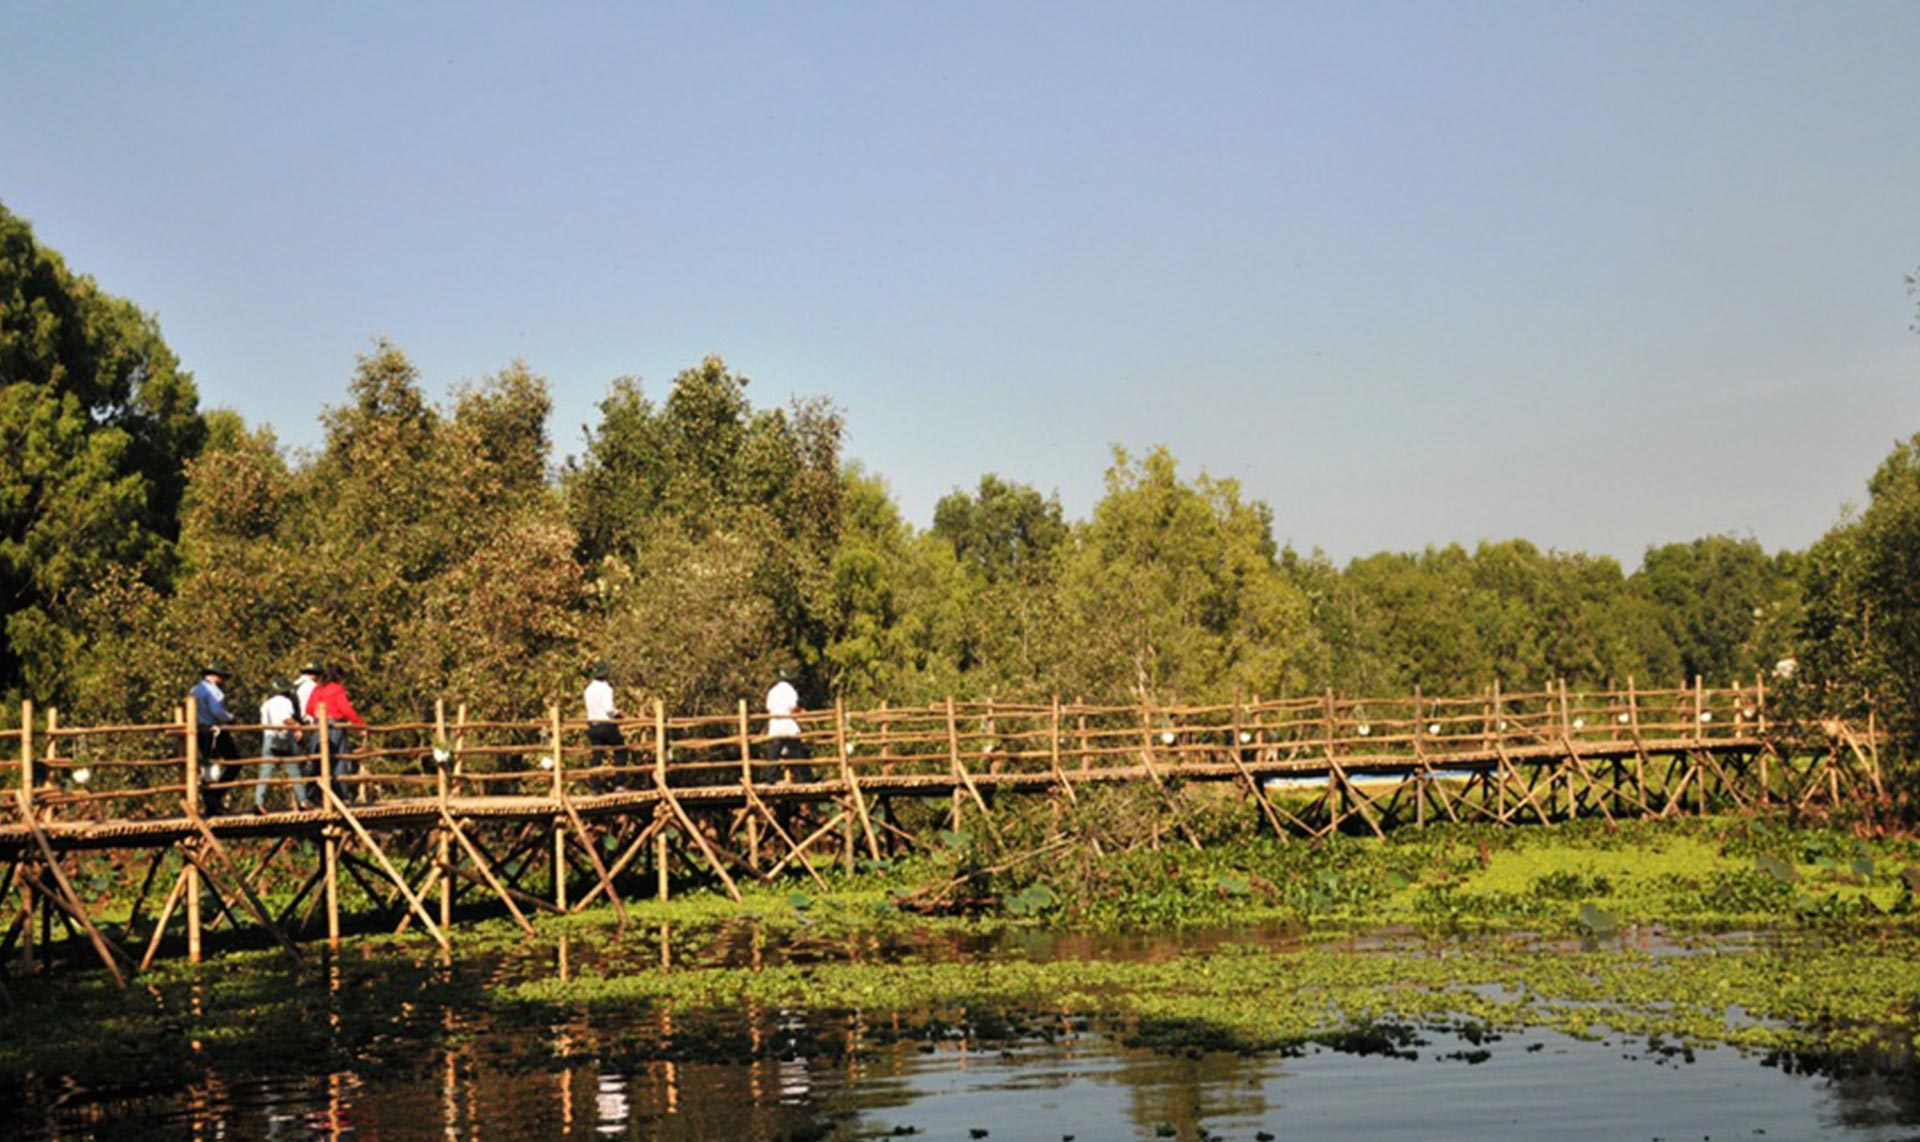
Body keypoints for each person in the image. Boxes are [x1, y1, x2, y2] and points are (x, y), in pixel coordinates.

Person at [306, 664, 367, 797]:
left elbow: (309, 709)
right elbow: (346, 709)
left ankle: (314, 795)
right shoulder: (337, 689)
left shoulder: (317, 689)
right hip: (334, 725)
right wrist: (360, 725)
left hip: (318, 725)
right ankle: (341, 794)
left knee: (318, 760)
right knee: (339, 759)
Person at [189, 664, 241, 815]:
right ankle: (215, 796)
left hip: (199, 731)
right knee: (235, 762)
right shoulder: (214, 691)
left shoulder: (195, 689)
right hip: (214, 730)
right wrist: (231, 718)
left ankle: (211, 804)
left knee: (208, 766)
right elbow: (217, 711)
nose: (222, 680)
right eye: (221, 676)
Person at [255, 678, 309, 813]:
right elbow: (285, 719)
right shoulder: (285, 702)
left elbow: (263, 724)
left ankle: (259, 802)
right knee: (293, 770)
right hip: (283, 739)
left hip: (268, 738)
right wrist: (297, 725)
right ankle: (303, 800)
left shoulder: (266, 704)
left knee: (265, 772)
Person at [584, 661, 626, 793]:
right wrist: (618, 713)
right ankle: (619, 783)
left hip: (592, 725)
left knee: (597, 755)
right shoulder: (607, 689)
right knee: (620, 750)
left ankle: (595, 786)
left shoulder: (588, 690)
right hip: (606, 725)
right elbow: (609, 709)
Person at [763, 667, 811, 784]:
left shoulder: (772, 691)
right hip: (788, 725)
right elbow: (792, 708)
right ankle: (807, 777)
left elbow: (769, 709)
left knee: (773, 754)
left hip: (775, 725)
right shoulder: (790, 691)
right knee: (798, 752)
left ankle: (770, 778)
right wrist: (801, 711)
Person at [293, 661, 323, 802]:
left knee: (300, 762)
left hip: (297, 724)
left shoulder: (296, 686)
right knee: (314, 760)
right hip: (308, 725)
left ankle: (300, 798)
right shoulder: (313, 687)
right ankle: (309, 796)